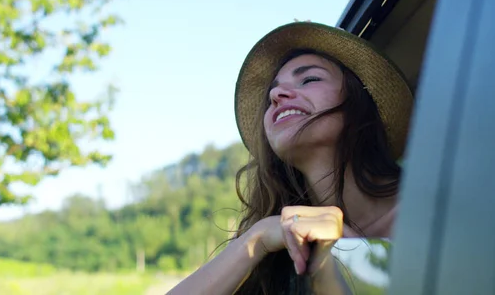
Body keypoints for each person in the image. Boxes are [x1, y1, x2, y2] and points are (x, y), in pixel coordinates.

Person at [168, 21, 413, 294]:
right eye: (273, 91)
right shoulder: (279, 247)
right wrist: (257, 238)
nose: (275, 95)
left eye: (309, 79)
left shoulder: (440, 210)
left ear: (359, 103)